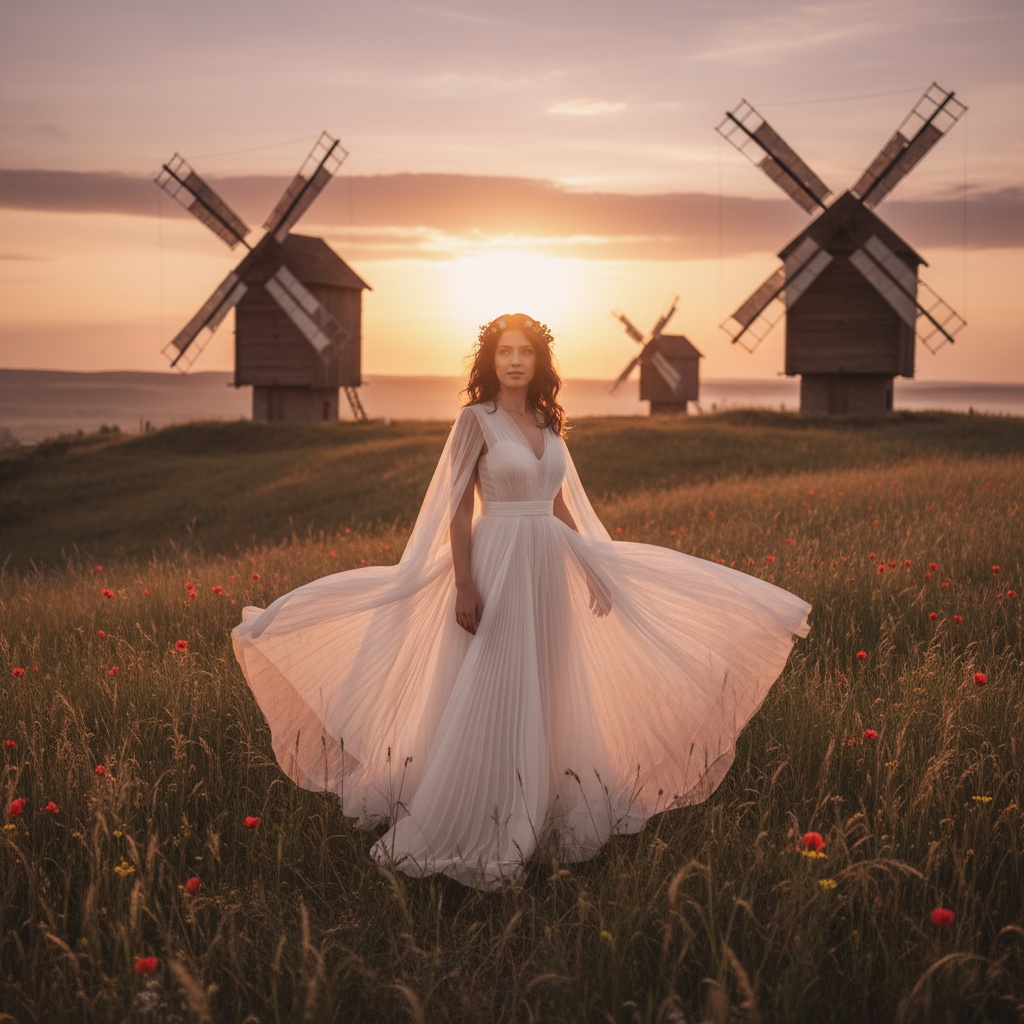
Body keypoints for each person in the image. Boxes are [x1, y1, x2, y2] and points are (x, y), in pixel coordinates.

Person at [232, 313, 811, 890]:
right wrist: (463, 582)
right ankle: (485, 815)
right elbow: (459, 508)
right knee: (499, 681)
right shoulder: (474, 422)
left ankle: (544, 806)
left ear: (539, 363)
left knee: (549, 681)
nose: (514, 360)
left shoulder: (545, 421)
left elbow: (555, 503)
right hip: (497, 562)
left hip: (547, 567)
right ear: (491, 360)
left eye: (525, 352)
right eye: (505, 351)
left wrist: (591, 568)